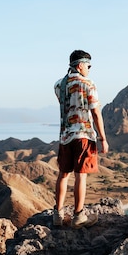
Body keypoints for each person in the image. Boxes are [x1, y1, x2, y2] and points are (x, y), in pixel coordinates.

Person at [53, 49, 109, 228]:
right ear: (79, 65)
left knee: (63, 175)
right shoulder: (88, 84)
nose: (89, 69)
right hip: (83, 135)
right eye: (88, 65)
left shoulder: (59, 85)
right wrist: (103, 138)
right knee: (80, 176)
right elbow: (95, 113)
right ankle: (78, 216)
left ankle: (58, 214)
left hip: (65, 136)